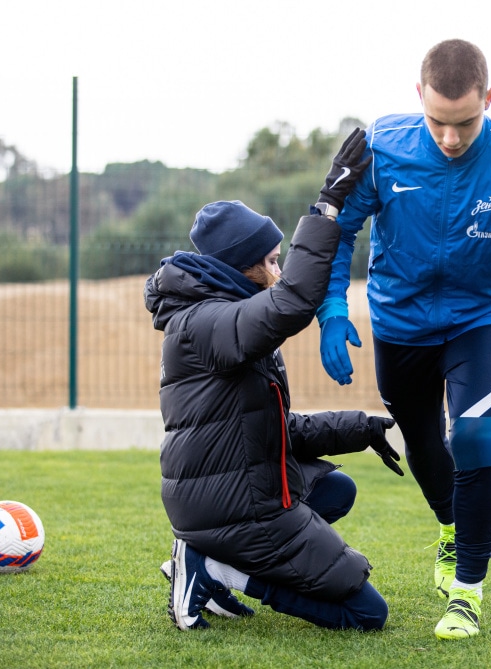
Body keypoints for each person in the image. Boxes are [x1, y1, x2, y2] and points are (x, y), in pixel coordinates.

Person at [316, 39, 491, 640]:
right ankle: (449, 529)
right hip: (399, 324)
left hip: (479, 320)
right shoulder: (383, 147)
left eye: (465, 121)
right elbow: (339, 230)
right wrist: (333, 309)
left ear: (488, 98)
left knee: (471, 439)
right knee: (422, 444)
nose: (450, 138)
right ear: (418, 96)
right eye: (438, 122)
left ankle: (467, 591)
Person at [144, 128, 405, 633]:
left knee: (337, 491)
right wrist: (329, 203)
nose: (279, 267)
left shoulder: (225, 319)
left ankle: (208, 561)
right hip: (229, 507)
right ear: (241, 269)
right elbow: (294, 303)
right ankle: (219, 568)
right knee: (368, 614)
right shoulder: (203, 324)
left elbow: (273, 430)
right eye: (270, 260)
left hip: (235, 495)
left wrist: (358, 428)